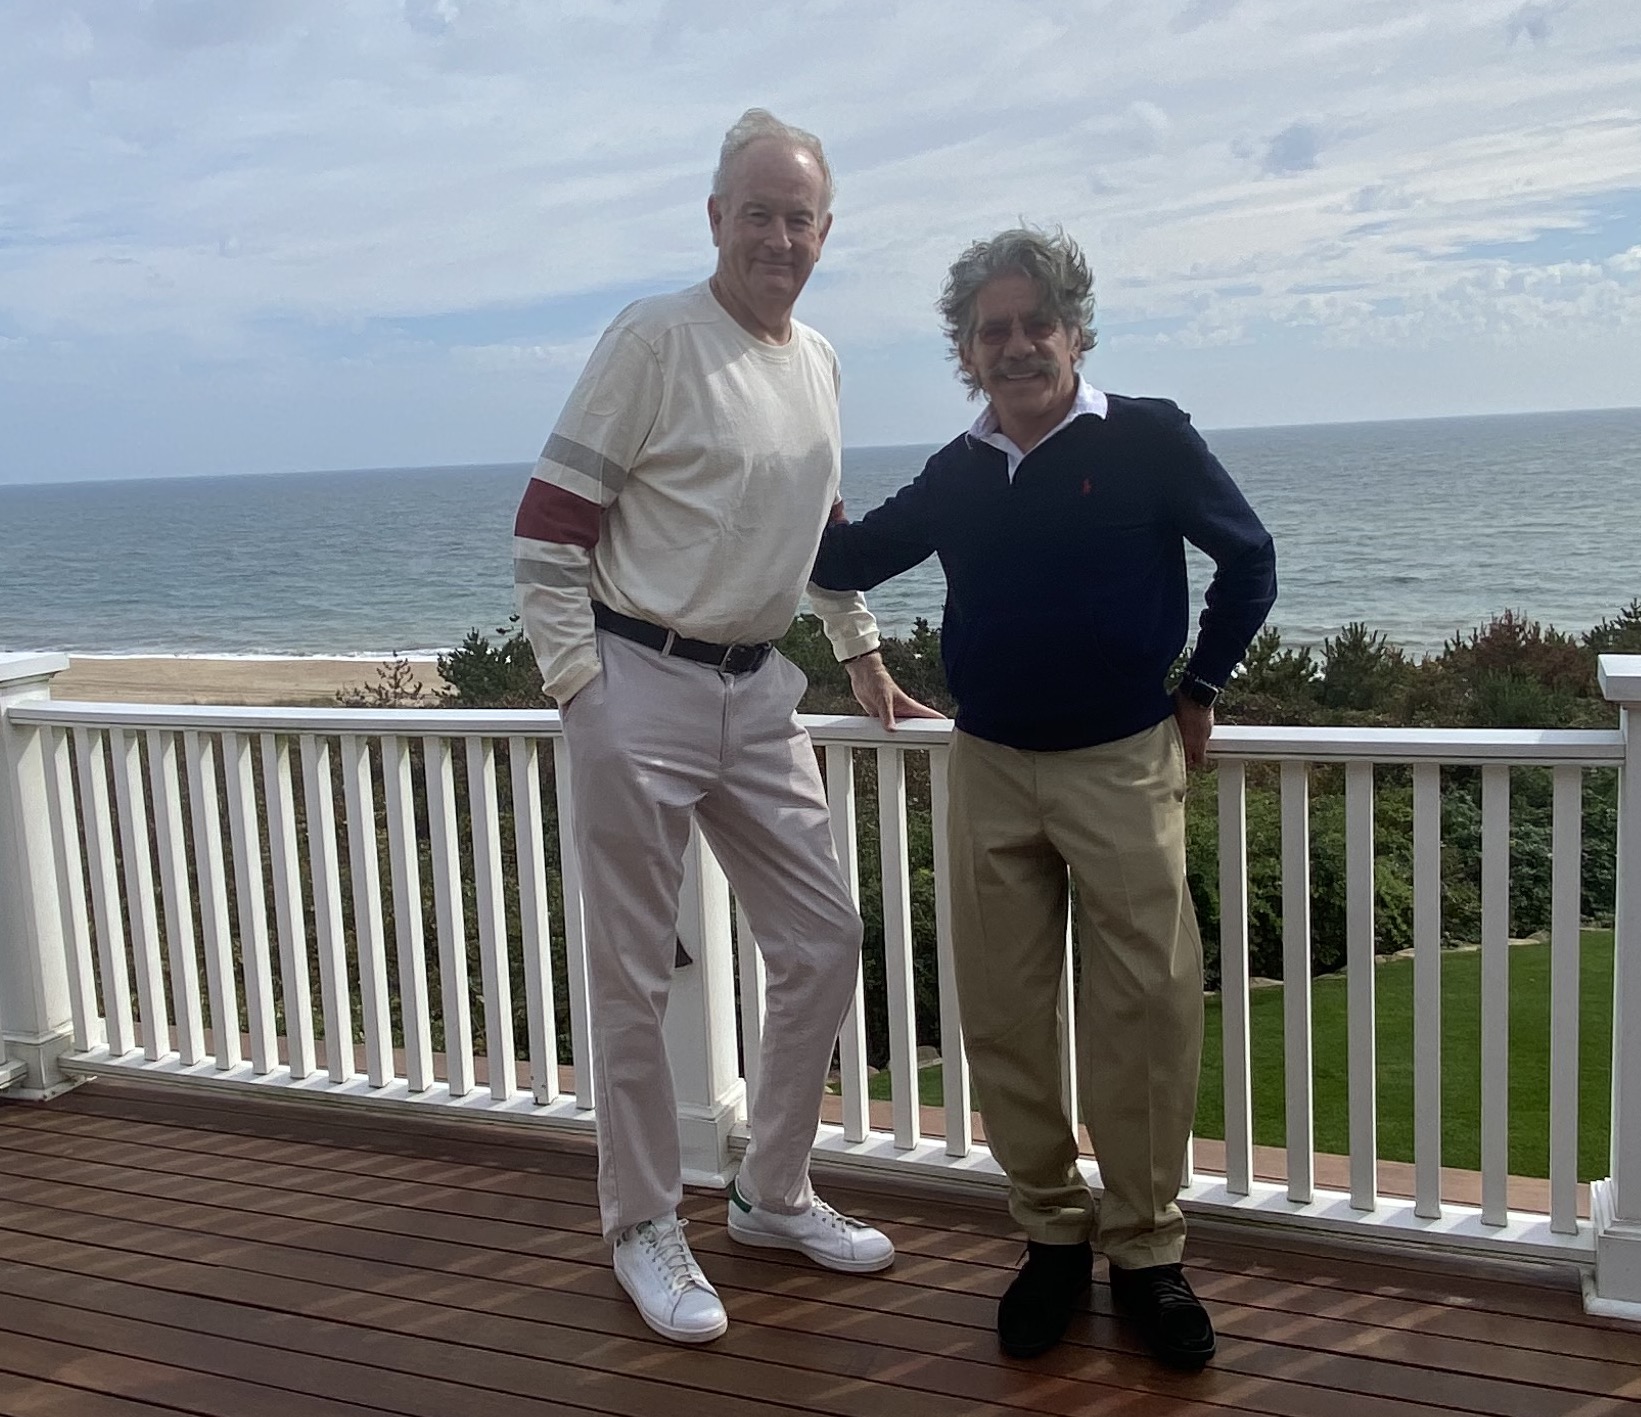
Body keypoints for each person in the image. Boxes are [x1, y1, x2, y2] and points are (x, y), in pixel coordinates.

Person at [811, 227, 1276, 1371]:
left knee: (1147, 1012)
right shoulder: (958, 470)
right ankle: (1051, 1239)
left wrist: (1201, 686)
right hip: (989, 765)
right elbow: (850, 558)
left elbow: (1248, 557)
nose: (1015, 347)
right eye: (992, 332)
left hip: (1120, 759)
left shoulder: (1148, 438)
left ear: (1074, 331)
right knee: (1004, 1016)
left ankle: (1148, 1252)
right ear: (967, 352)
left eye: (1035, 325)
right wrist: (783, 473)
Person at [512, 109, 938, 1346]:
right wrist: (582, 689)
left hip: (760, 691)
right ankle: (643, 1220)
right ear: (715, 220)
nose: (778, 234)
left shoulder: (820, 362)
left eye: (799, 215)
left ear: (825, 232)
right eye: (756, 211)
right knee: (636, 975)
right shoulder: (653, 338)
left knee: (823, 938)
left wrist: (859, 651)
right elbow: (547, 528)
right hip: (637, 673)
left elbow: (819, 525)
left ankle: (770, 1189)